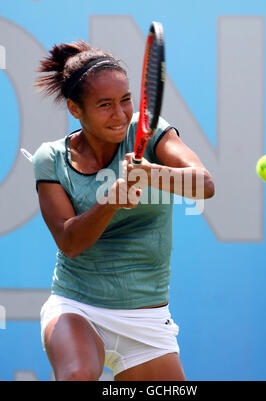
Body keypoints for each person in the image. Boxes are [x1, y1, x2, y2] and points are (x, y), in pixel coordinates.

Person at [32, 40, 215, 381]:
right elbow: (70, 242)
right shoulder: (51, 159)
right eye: (104, 105)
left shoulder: (152, 131)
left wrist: (150, 172)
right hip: (78, 306)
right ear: (75, 109)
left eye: (125, 100)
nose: (119, 115)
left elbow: (203, 184)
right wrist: (112, 200)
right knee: (77, 376)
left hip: (147, 320)